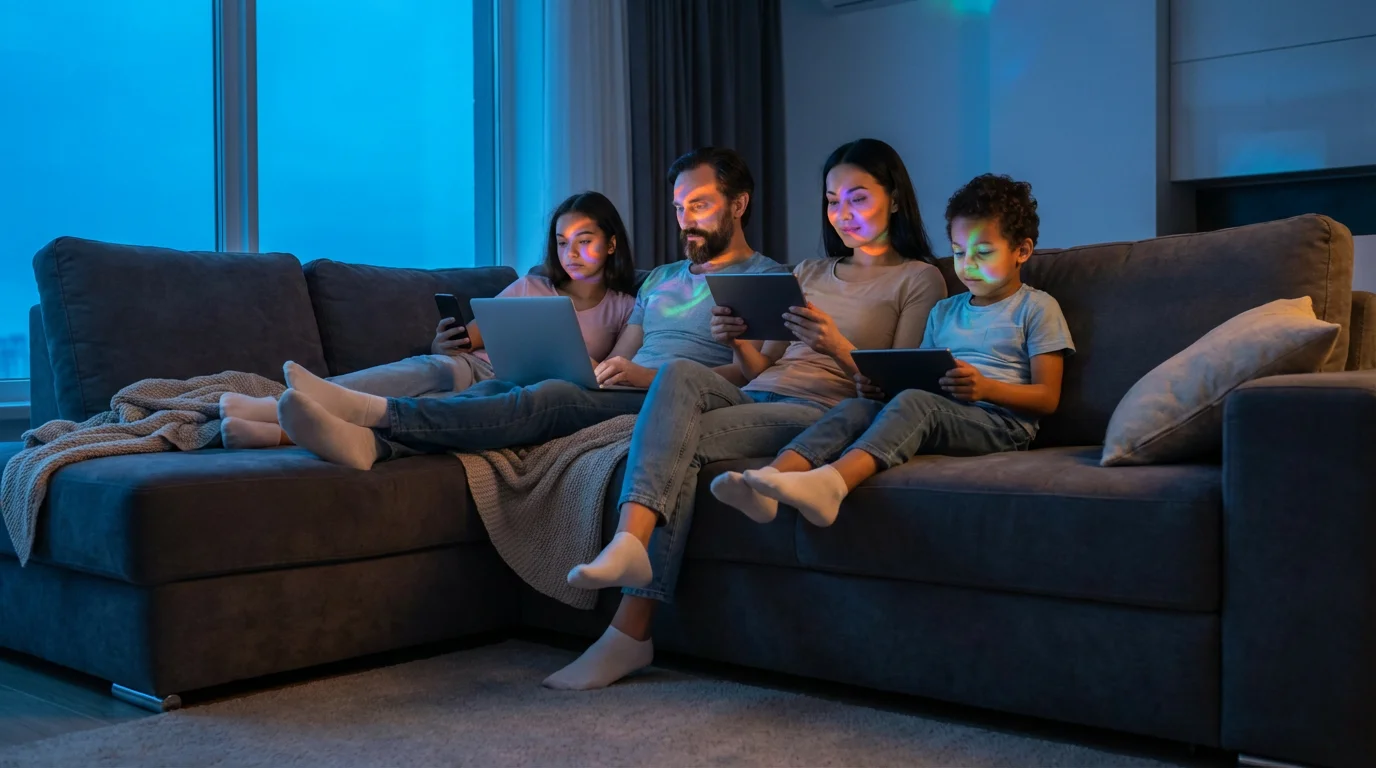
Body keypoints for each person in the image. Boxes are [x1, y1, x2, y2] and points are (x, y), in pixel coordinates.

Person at [543, 138, 948, 690]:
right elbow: (763, 367)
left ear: (895, 199)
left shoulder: (919, 279)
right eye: (832, 201)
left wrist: (835, 344)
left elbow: (895, 390)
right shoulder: (807, 270)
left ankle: (627, 633)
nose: (843, 214)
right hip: (761, 394)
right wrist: (738, 340)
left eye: (858, 198)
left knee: (675, 445)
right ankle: (631, 544)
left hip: (815, 411)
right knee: (682, 375)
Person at [274, 147, 786, 469]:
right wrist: (611, 369)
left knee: (549, 397)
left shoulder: (767, 279)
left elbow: (747, 379)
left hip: (675, 398)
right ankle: (375, 445)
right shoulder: (660, 280)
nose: (685, 220)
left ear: (738, 204)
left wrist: (641, 376)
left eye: (699, 205)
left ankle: (375, 413)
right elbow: (629, 349)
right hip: (627, 388)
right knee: (500, 385)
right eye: (679, 207)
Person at [721, 173, 1075, 529]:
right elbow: (918, 373)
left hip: (1001, 423)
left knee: (915, 404)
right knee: (858, 406)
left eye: (983, 253)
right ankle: (767, 480)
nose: (968, 265)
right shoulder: (944, 311)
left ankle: (832, 484)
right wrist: (882, 386)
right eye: (958, 252)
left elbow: (1047, 398)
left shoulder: (1036, 308)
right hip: (946, 410)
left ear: (1022, 251)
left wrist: (987, 389)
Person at [217, 191, 639, 449]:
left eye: (585, 242)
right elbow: (469, 339)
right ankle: (275, 406)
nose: (571, 254)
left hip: (510, 396)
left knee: (428, 413)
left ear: (611, 243)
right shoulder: (532, 287)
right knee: (436, 368)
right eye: (563, 243)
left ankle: (275, 432)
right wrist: (445, 341)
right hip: (473, 367)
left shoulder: (626, 307)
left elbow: (612, 373)